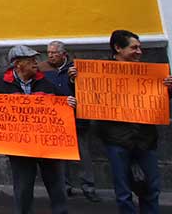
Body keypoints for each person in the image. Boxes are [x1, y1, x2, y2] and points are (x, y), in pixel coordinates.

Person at [71, 30, 172, 214]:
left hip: (145, 140)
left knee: (151, 189)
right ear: (118, 48)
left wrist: (168, 88)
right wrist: (76, 80)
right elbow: (86, 98)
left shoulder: (149, 73)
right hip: (117, 141)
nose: (139, 52)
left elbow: (160, 101)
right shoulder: (99, 74)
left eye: (140, 47)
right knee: (123, 192)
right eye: (134, 47)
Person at [0, 45, 72, 214]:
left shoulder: (46, 81)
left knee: (57, 188)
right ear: (17, 64)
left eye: (35, 59)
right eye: (30, 60)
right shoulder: (1, 85)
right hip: (20, 149)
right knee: (23, 190)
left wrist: (69, 104)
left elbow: (62, 104)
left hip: (48, 148)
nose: (35, 63)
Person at [41, 40, 98, 203]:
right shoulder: (43, 69)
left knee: (83, 154)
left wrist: (75, 80)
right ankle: (64, 186)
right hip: (56, 119)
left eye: (54, 53)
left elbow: (89, 90)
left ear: (63, 54)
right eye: (49, 53)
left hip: (77, 117)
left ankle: (89, 187)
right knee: (61, 155)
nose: (50, 56)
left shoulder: (75, 69)